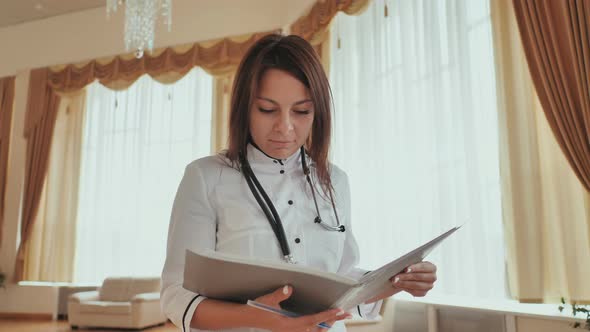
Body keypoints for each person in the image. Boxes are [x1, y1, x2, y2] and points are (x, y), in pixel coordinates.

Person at [160, 33, 438, 332]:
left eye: (302, 111)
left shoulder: (335, 181)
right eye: (267, 109)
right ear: (244, 107)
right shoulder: (206, 177)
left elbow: (343, 282)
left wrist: (397, 281)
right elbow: (177, 296)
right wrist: (260, 318)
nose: (285, 127)